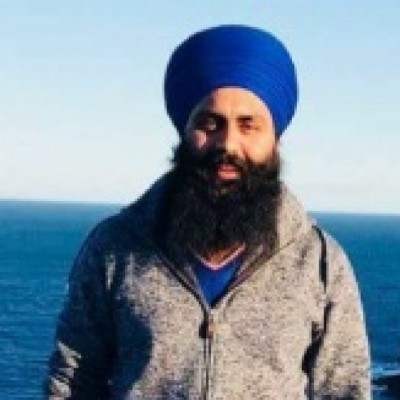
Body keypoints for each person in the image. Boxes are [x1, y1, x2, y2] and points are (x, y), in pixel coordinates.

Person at [45, 25, 371, 399]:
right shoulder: (115, 248)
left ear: (275, 139)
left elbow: (344, 391)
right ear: (184, 130)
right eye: (210, 123)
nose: (228, 144)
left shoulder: (320, 262)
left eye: (248, 125)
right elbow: (72, 381)